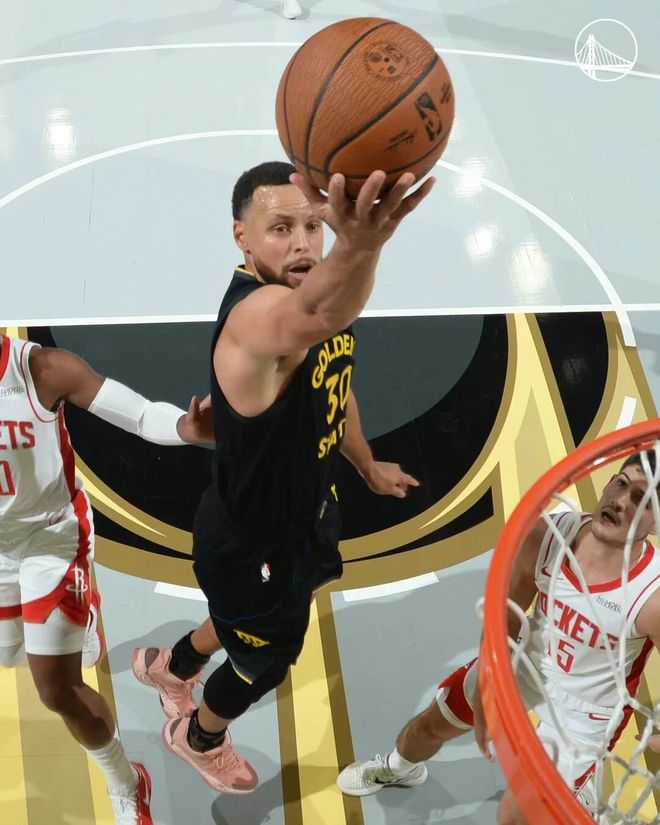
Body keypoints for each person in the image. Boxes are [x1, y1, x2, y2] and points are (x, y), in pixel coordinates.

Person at [132, 160, 434, 793]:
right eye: (280, 229)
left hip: (302, 518)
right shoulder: (260, 316)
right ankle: (198, 738)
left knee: (246, 624)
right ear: (241, 237)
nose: (302, 243)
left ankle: (172, 666)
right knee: (263, 661)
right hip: (254, 547)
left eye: (313, 227)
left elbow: (334, 381)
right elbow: (320, 316)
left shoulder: (313, 302)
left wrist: (365, 462)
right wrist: (365, 242)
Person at [337, 452, 660, 824]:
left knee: (516, 814)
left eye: (641, 499)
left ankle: (573, 781)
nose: (620, 501)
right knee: (427, 728)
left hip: (587, 707)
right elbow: (503, 622)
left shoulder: (651, 597)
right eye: (621, 483)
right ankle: (399, 768)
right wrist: (488, 690)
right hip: (527, 663)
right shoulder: (547, 535)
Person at [0, 333, 213, 824]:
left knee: (56, 690)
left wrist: (184, 427)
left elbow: (139, 415)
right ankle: (81, 612)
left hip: (50, 540)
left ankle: (128, 783)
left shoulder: (41, 370)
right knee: (9, 653)